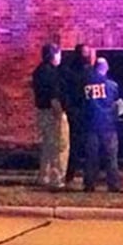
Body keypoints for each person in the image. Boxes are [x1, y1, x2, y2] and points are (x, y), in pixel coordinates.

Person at [32, 43, 70, 191]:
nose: (60, 57)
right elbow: (54, 95)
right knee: (61, 146)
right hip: (53, 112)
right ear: (53, 55)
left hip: (42, 112)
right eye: (59, 54)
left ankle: (44, 175)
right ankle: (58, 178)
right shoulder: (52, 72)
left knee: (47, 145)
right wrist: (60, 114)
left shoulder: (38, 71)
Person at [82, 57, 123, 192]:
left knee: (91, 157)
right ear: (106, 68)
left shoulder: (87, 85)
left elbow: (84, 104)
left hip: (91, 125)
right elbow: (120, 107)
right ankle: (113, 185)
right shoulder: (112, 85)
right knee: (111, 157)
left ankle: (89, 185)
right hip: (109, 126)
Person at [63, 43, 92, 184]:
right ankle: (76, 173)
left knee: (77, 144)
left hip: (79, 111)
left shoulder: (69, 70)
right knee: (79, 144)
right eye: (85, 53)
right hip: (81, 111)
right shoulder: (85, 72)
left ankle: (72, 174)